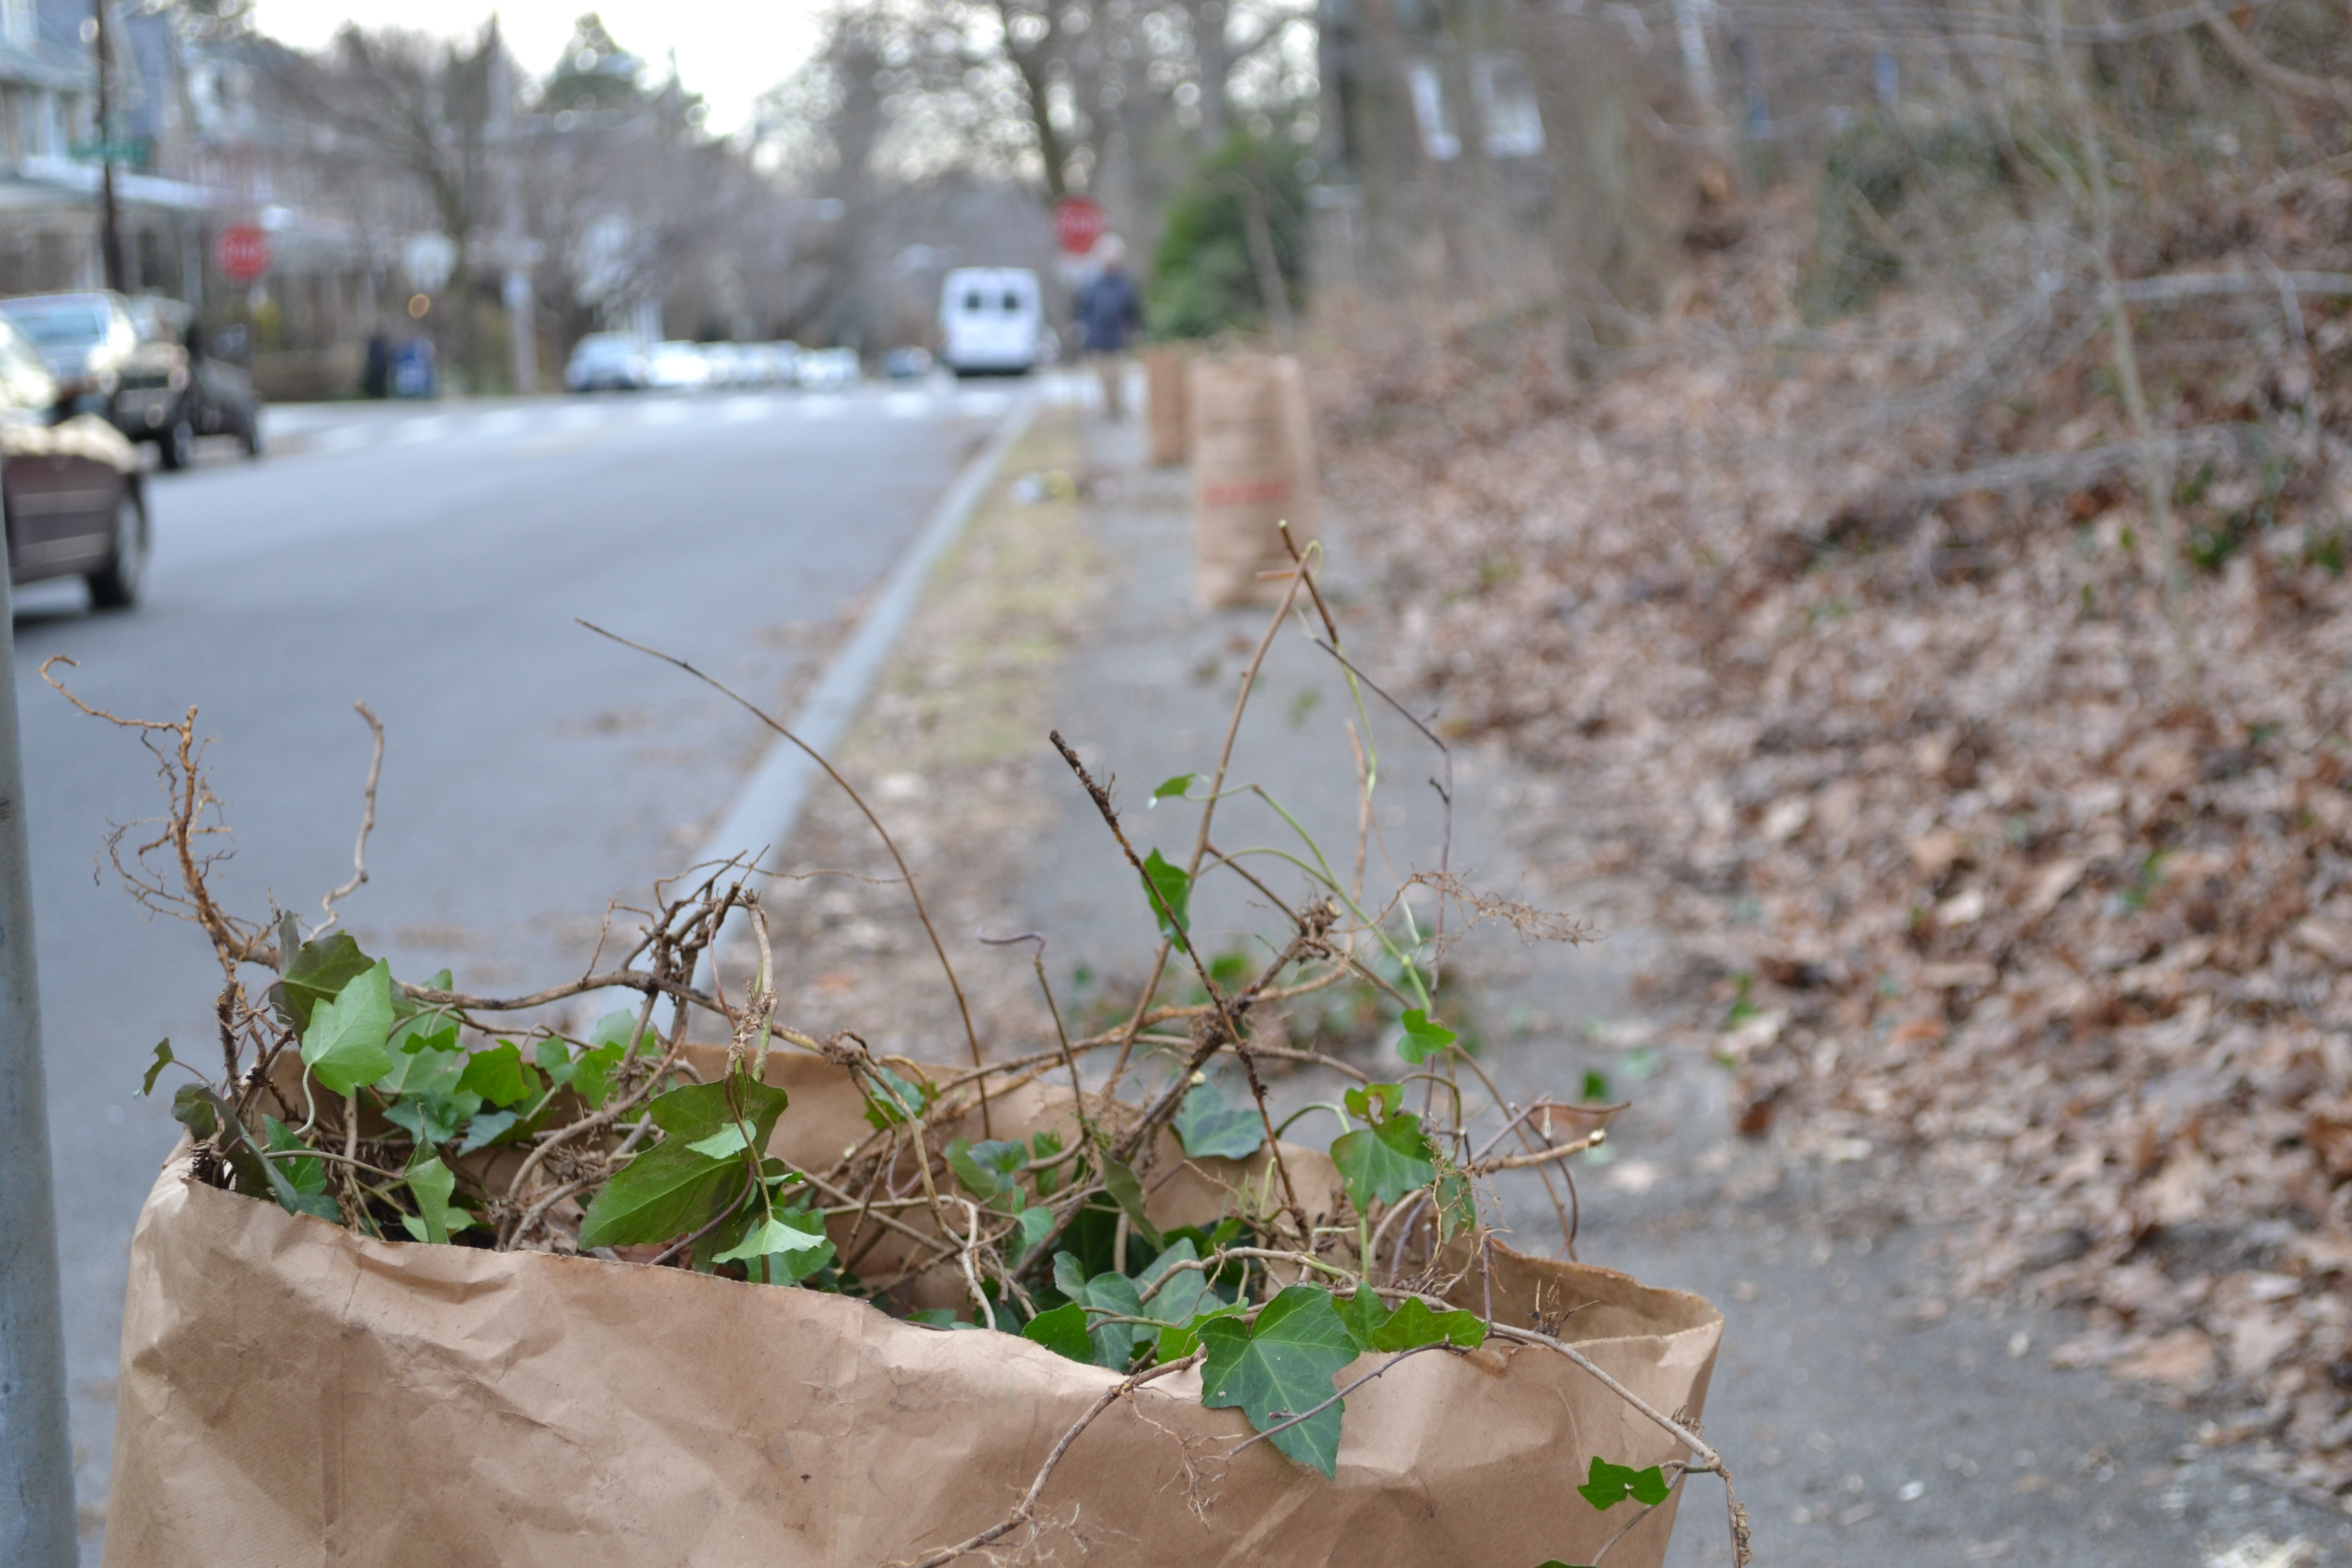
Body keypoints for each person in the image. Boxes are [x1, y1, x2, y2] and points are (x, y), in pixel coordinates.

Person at [1073, 235, 1141, 419]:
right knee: (1103, 377)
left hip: (1118, 338)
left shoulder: (1125, 285)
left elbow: (1133, 311)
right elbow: (1084, 310)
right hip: (1097, 337)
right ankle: (1108, 408)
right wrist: (1082, 330)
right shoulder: (1093, 285)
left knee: (1117, 377)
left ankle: (1116, 407)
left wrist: (1135, 330)